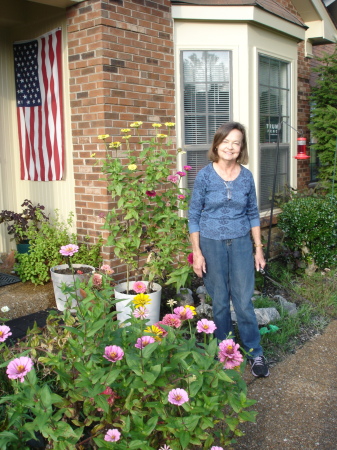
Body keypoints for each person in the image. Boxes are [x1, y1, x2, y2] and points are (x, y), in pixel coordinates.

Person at [188, 121, 269, 377]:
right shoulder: (204, 175)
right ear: (217, 144)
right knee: (221, 302)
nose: (230, 147)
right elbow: (193, 216)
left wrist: (258, 248)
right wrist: (197, 253)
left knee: (243, 301)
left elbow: (253, 213)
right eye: (226, 142)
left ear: (241, 147)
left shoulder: (246, 176)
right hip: (211, 245)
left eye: (236, 142)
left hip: (242, 244)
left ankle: (255, 352)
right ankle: (227, 351)